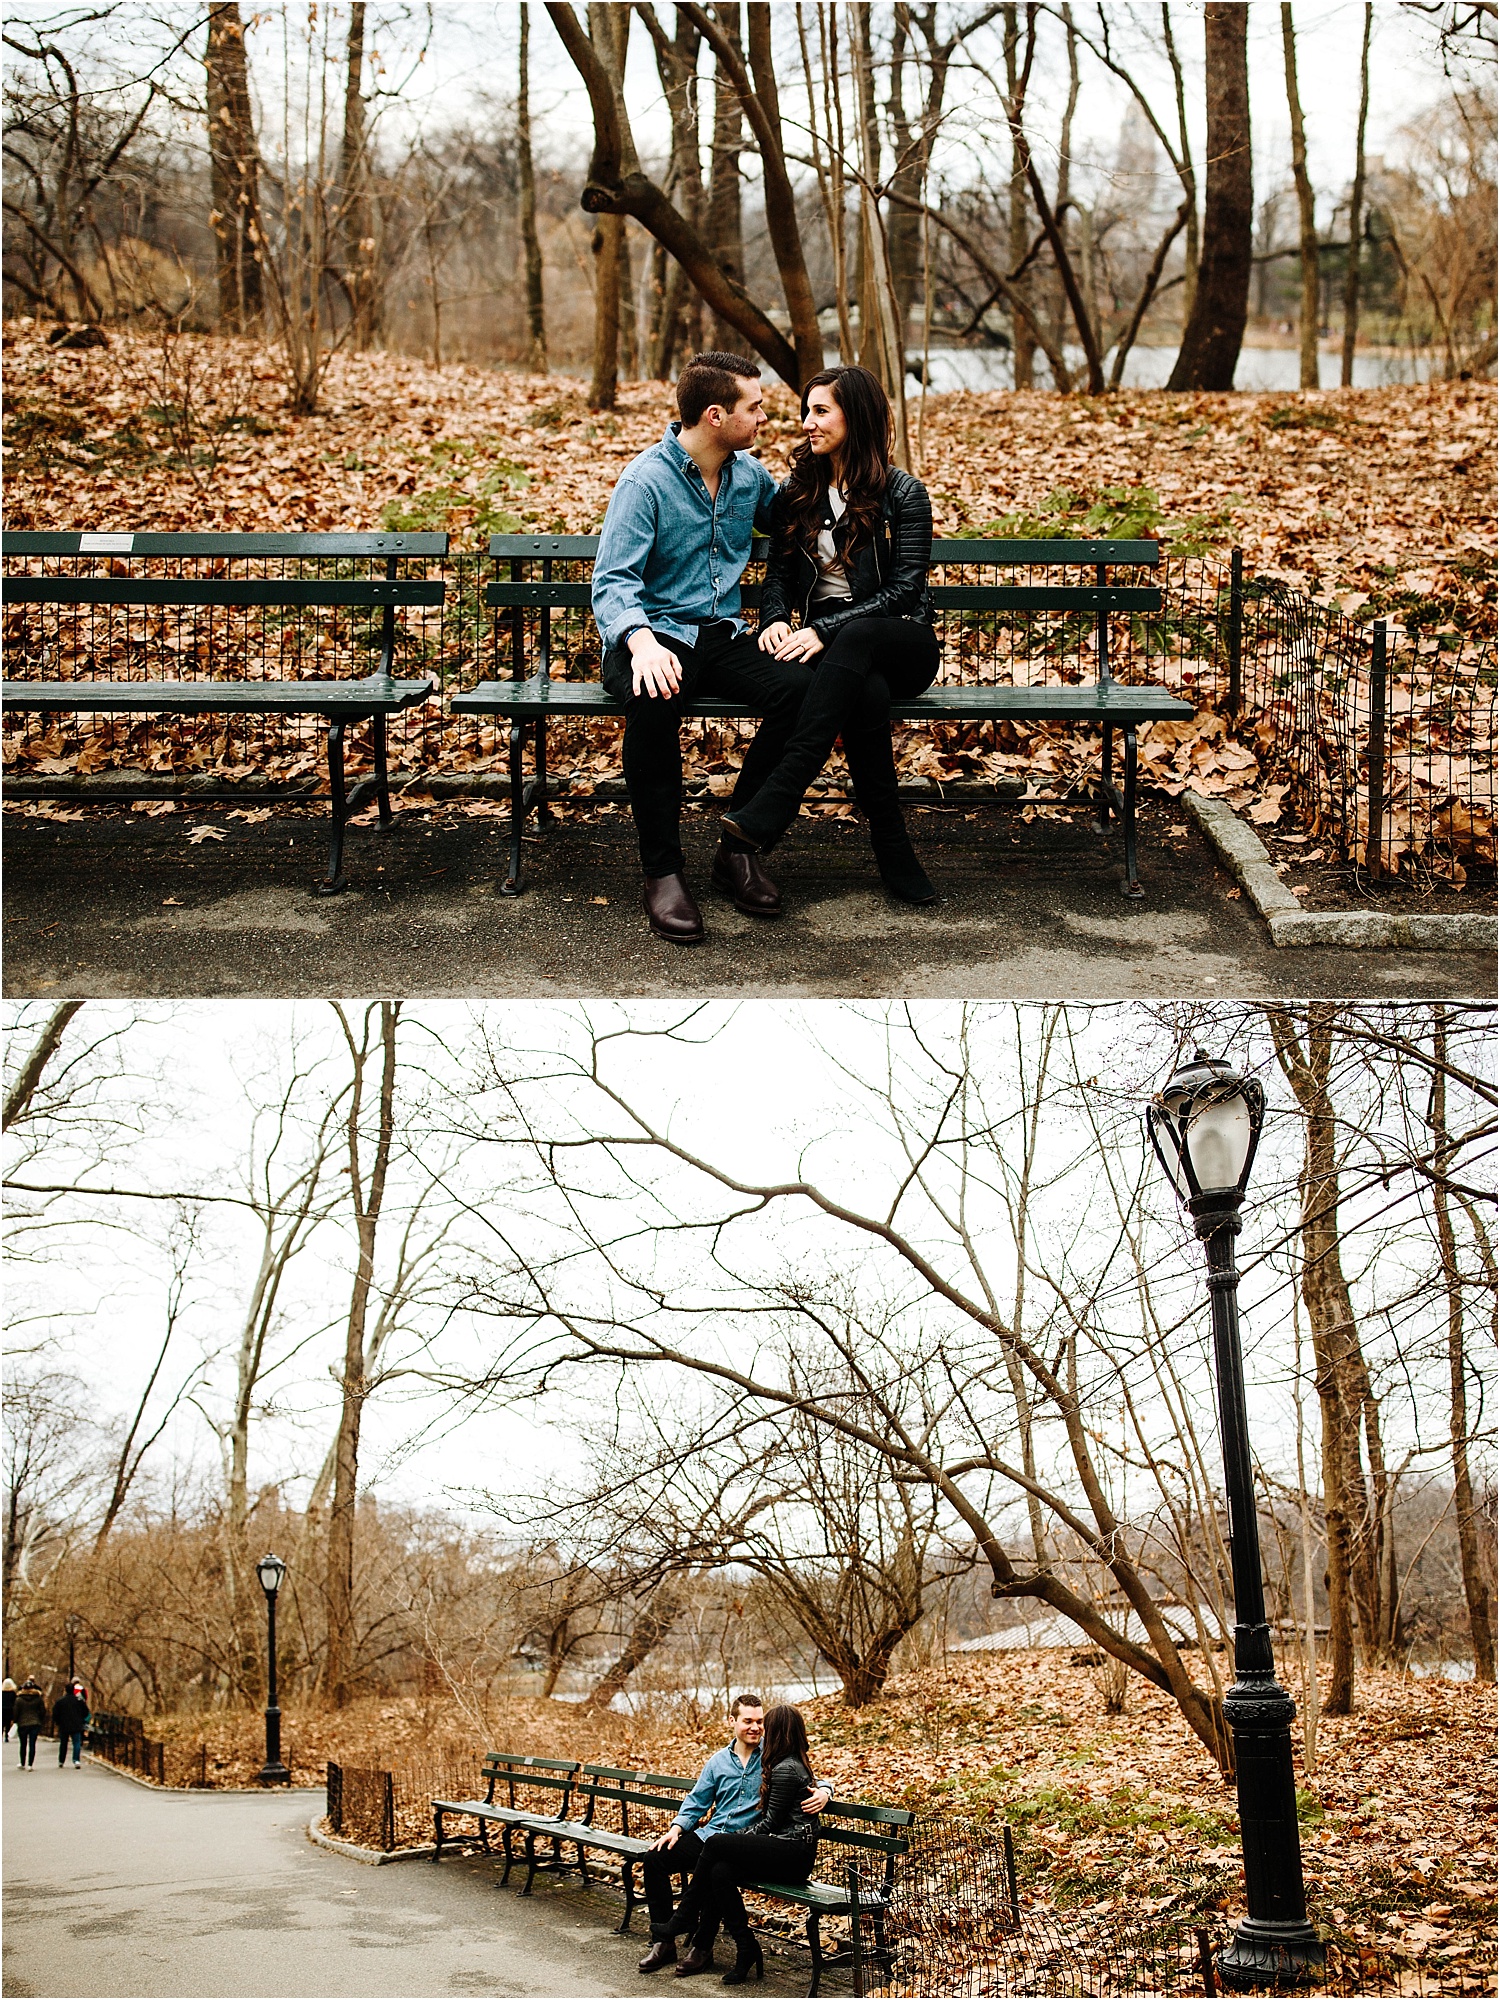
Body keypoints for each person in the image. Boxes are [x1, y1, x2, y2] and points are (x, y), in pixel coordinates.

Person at [592, 353, 811, 946]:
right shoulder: (645, 481)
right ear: (716, 416)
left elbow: (798, 529)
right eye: (755, 407)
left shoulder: (748, 476)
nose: (765, 416)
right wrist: (639, 643)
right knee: (653, 693)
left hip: (720, 635)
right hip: (652, 633)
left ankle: (739, 847)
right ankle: (662, 871)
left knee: (803, 691)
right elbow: (613, 583)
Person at [721, 365, 941, 906]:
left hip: (900, 641)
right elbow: (777, 574)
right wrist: (775, 618)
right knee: (864, 695)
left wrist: (822, 627)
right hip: (841, 656)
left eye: (821, 411)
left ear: (857, 416)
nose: (807, 423)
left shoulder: (903, 493)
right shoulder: (802, 490)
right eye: (806, 410)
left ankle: (778, 797)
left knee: (861, 635)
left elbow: (906, 591)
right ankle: (893, 849)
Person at [637, 1694, 827, 1979]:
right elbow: (696, 1801)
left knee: (718, 1865)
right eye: (748, 1721)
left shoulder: (773, 1755)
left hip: (745, 1842)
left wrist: (826, 1792)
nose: (755, 1727)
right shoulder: (718, 1762)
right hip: (712, 1836)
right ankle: (665, 1943)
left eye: (760, 1721)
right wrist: (676, 1828)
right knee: (655, 1858)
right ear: (732, 1721)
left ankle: (701, 1947)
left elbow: (808, 1777)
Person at [52, 1680, 90, 1768]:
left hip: (64, 1725)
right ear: (73, 1690)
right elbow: (86, 1712)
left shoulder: (60, 1701)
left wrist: (58, 1722)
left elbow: (55, 1714)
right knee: (76, 1743)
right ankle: (76, 1760)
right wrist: (81, 1720)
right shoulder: (79, 1701)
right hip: (76, 1724)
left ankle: (61, 1760)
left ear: (65, 1690)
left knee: (63, 1743)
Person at [13, 1678, 46, 1769]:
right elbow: (43, 1711)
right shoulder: (38, 1699)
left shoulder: (19, 1699)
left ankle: (22, 1763)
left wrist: (15, 1721)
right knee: (32, 1744)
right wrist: (40, 1719)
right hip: (35, 1723)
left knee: (23, 1744)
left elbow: (16, 1712)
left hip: (22, 1723)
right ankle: (30, 1764)